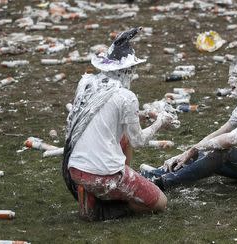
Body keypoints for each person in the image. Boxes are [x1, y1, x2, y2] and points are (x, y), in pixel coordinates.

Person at [62, 27, 174, 221]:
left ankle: (91, 194)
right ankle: (103, 210)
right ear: (128, 70)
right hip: (103, 175)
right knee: (160, 203)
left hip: (75, 168)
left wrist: (142, 114)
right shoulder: (126, 97)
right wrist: (160, 122)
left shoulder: (87, 82)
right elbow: (138, 141)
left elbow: (103, 115)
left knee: (123, 137)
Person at [141, 56, 237, 191]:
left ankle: (163, 183)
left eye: (235, 76)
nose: (229, 80)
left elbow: (232, 139)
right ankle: (159, 173)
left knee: (223, 151)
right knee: (208, 150)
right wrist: (188, 151)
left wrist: (194, 149)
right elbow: (222, 131)